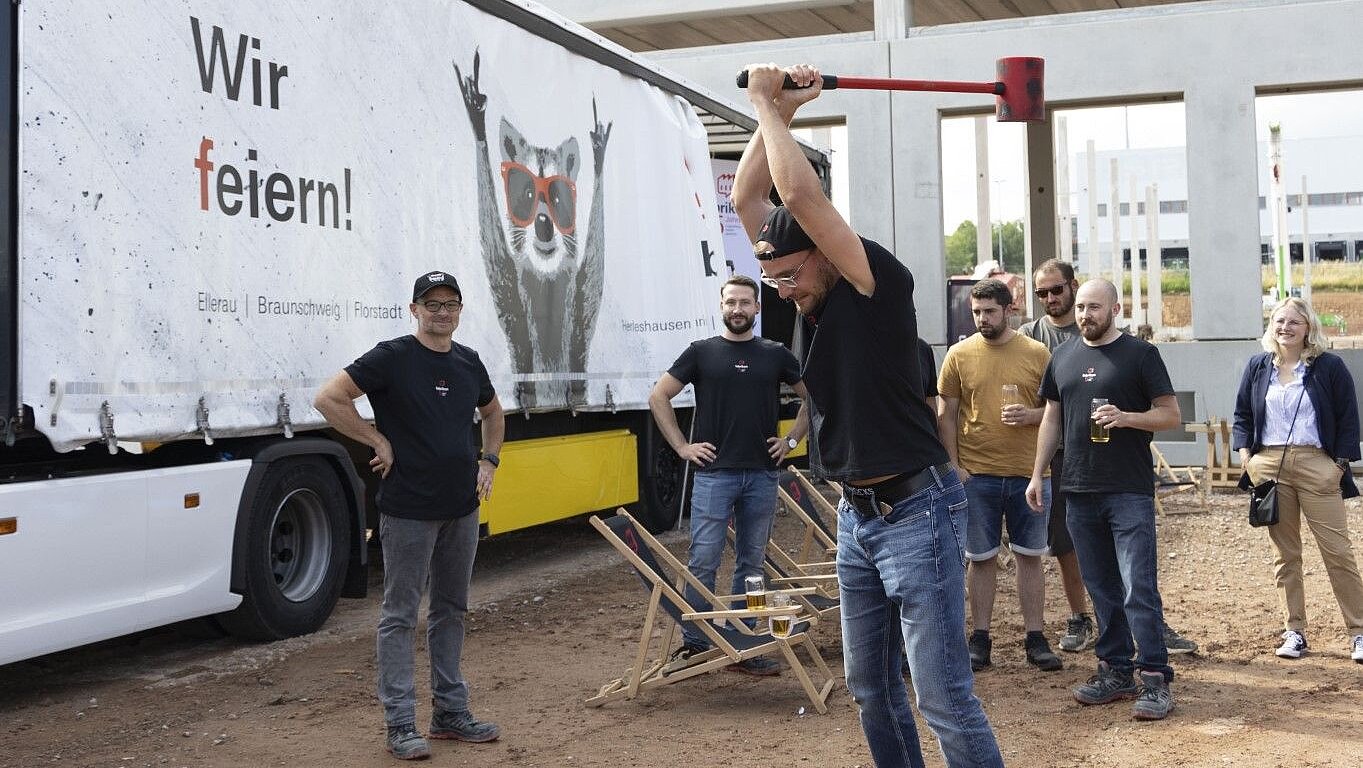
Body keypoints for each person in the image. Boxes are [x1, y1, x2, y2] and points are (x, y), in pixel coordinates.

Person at [735, 62, 1002, 767]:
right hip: (856, 517)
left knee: (942, 697)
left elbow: (799, 193)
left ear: (823, 255)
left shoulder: (873, 281)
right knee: (870, 690)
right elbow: (748, 196)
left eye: (790, 275)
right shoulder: (804, 283)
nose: (783, 291)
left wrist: (762, 100)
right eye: (771, 279)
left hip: (918, 514)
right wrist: (781, 112)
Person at [314, 271, 505, 760]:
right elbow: (329, 398)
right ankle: (400, 723)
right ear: (414, 309)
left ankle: (450, 713)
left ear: (459, 310)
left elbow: (492, 412)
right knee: (399, 615)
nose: (442, 312)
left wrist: (489, 460)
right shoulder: (392, 357)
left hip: (461, 509)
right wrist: (375, 439)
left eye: (450, 304)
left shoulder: (468, 361)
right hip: (408, 510)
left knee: (451, 609)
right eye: (432, 304)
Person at [1020, 259, 1197, 656]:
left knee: (1137, 585)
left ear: (1115, 309)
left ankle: (1153, 669)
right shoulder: (1062, 356)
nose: (1086, 314)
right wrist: (1036, 474)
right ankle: (1115, 669)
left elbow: (1170, 416)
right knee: (1101, 587)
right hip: (1077, 486)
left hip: (1127, 487)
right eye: (1082, 307)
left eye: (1094, 307)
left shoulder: (1140, 354)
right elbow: (1052, 417)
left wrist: (1127, 417)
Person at [649, 274, 809, 675]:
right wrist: (682, 447)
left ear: (757, 308)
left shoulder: (775, 354)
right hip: (713, 476)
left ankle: (745, 642)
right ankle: (696, 645)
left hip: (762, 475)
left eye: (745, 303)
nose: (738, 309)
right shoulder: (701, 353)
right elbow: (659, 396)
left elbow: (815, 399)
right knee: (703, 560)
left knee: (752, 563)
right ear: (722, 307)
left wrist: (791, 441)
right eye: (731, 302)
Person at [939, 279, 1062, 673]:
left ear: (1009, 310)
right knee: (980, 559)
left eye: (990, 311)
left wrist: (1030, 415)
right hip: (977, 476)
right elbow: (947, 414)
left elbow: (1057, 411)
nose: (982, 319)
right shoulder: (959, 355)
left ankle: (1036, 637)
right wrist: (954, 466)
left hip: (1030, 474)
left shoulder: (1037, 353)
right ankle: (980, 638)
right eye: (976, 312)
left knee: (1030, 556)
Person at [1232, 297, 1363, 664]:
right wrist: (1247, 458)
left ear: (1308, 328)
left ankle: (1359, 632)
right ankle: (1295, 631)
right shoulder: (1258, 366)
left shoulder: (1329, 366)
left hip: (1317, 462)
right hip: (1269, 466)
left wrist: (1339, 465)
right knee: (1285, 555)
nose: (1285, 327)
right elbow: (1242, 414)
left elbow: (1348, 417)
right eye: (1279, 320)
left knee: (1338, 552)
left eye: (1293, 321)